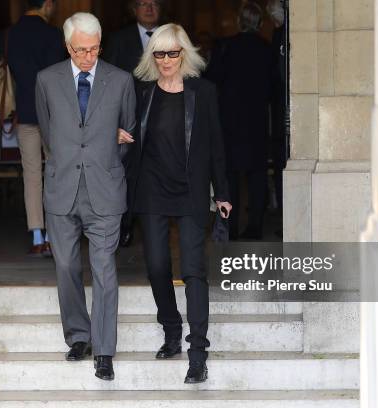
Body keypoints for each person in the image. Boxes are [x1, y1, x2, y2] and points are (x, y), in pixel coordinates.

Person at [121, 23, 231, 384]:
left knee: (194, 270)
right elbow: (128, 132)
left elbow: (216, 145)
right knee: (155, 265)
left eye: (172, 53)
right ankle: (170, 327)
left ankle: (197, 352)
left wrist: (223, 192)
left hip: (191, 190)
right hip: (151, 190)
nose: (166, 60)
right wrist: (120, 135)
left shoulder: (204, 92)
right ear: (151, 57)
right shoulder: (142, 93)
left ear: (184, 53)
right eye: (159, 53)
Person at [35, 12, 136, 381]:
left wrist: (102, 155)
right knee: (64, 267)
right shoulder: (45, 80)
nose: (88, 57)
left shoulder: (121, 80)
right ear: (67, 46)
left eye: (93, 49)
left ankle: (104, 349)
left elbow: (128, 133)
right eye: (80, 50)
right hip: (62, 188)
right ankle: (78, 336)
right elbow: (50, 133)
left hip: (105, 190)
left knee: (105, 269)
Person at [206, 2, 275, 240]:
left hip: (230, 122)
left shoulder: (225, 47)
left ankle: (231, 226)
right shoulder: (267, 49)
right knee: (257, 176)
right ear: (259, 22)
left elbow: (212, 78)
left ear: (238, 21)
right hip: (256, 121)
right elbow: (273, 87)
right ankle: (255, 226)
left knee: (231, 177)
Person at [5, 0, 65, 255]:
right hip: (52, 114)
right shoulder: (52, 34)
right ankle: (54, 233)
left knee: (31, 175)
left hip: (26, 110)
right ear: (48, 5)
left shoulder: (11, 33)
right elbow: (57, 74)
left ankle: (37, 237)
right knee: (55, 172)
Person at [104, 0, 163, 247]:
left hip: (163, 118)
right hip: (129, 119)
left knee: (160, 172)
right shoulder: (119, 40)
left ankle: (156, 224)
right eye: (143, 3)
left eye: (154, 3)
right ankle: (125, 225)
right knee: (128, 174)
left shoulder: (169, 36)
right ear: (133, 9)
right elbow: (107, 80)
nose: (149, 8)